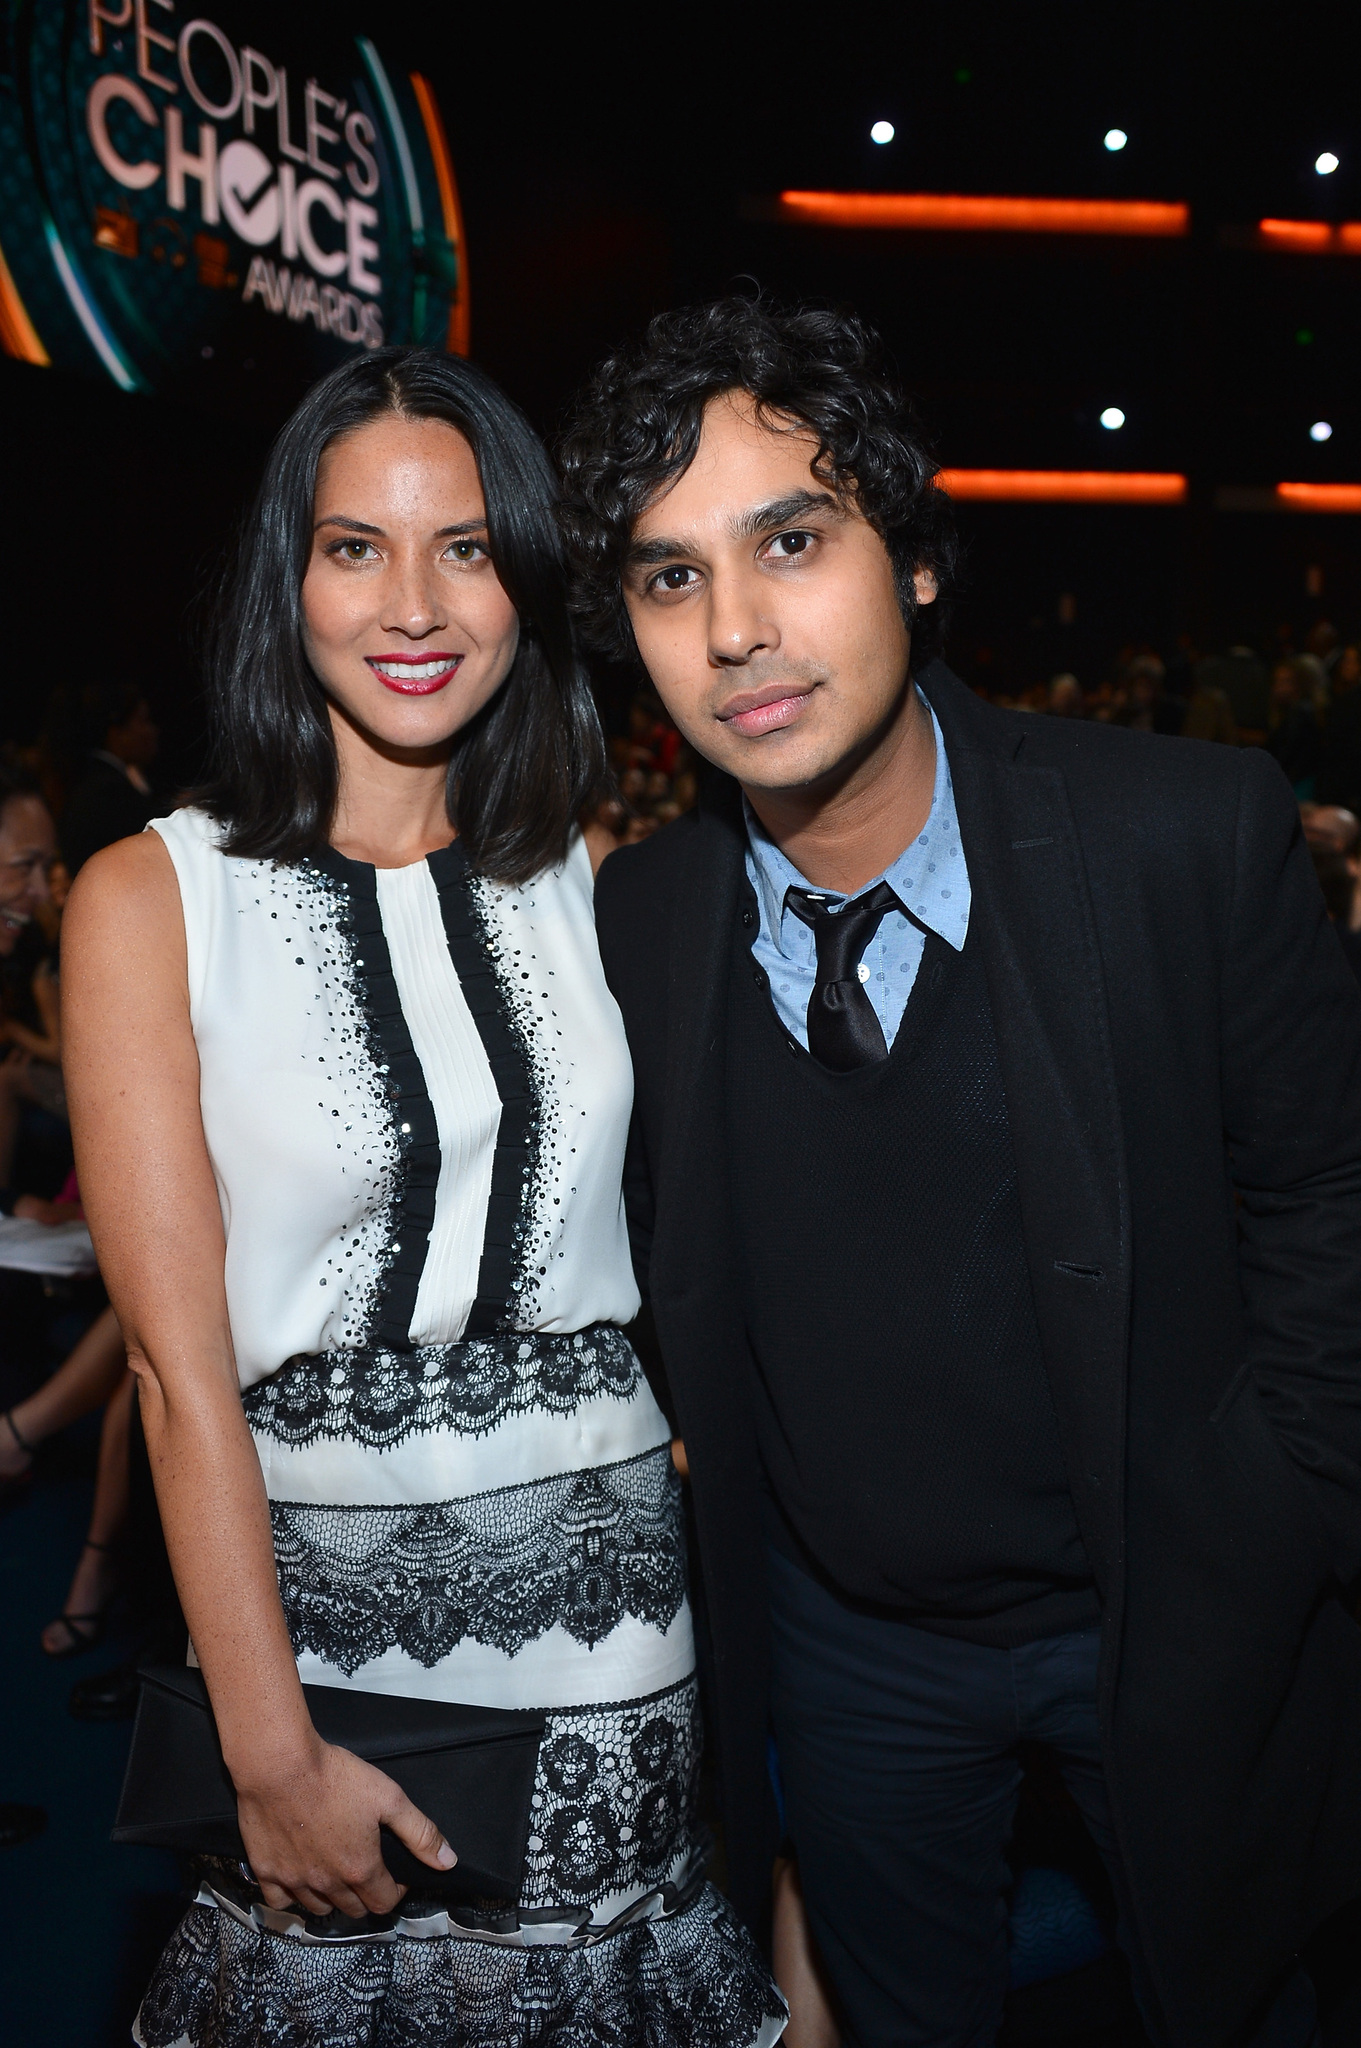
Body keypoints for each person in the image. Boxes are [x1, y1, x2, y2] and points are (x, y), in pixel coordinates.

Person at [558, 296, 1361, 2048]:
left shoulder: (1182, 833)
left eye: (791, 539)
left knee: (1240, 1997)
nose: (741, 631)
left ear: (913, 561)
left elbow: (1326, 1200)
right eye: (669, 577)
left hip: (1170, 1604)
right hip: (850, 1648)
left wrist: (1288, 1508)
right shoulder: (648, 913)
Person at [63, 345, 784, 2048]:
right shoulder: (151, 897)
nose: (415, 601)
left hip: (624, 1655)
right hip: (326, 1672)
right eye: (354, 545)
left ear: (529, 582)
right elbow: (172, 1371)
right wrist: (269, 1747)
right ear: (284, 574)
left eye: (464, 546)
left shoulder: (593, 879)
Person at [55, 683, 159, 878]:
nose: (153, 731)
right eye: (143, 721)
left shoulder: (92, 779)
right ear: (116, 732)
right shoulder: (110, 791)